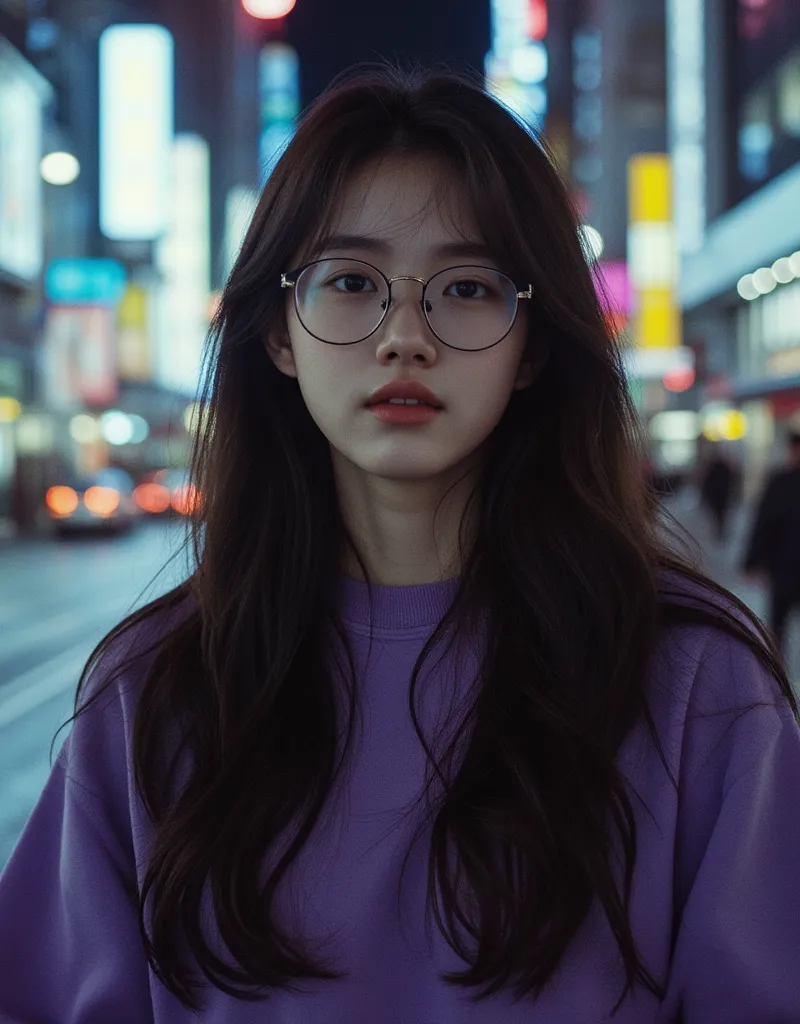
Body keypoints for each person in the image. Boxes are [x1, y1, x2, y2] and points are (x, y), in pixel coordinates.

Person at [1, 67, 799, 1024]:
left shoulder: (695, 686)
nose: (405, 338)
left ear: (533, 342)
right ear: (279, 334)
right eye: (350, 282)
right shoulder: (154, 694)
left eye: (466, 287)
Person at [743, 430, 800, 653]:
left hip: (784, 565)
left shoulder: (780, 482)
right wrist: (751, 560)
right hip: (783, 567)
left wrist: (752, 560)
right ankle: (777, 670)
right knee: (778, 624)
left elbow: (764, 522)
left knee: (779, 624)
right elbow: (764, 523)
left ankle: (777, 671)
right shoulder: (779, 482)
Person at [699, 449, 739, 542]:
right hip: (720, 495)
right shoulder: (723, 468)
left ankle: (719, 530)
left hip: (718, 495)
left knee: (719, 514)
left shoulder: (718, 468)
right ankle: (720, 530)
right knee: (720, 514)